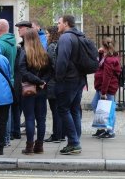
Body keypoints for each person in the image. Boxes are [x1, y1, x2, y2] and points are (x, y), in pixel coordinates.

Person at [55, 14, 86, 155]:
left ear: (66, 24)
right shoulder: (80, 36)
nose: (57, 25)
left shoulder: (66, 38)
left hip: (68, 80)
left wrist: (59, 78)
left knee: (63, 110)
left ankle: (73, 142)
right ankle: (75, 141)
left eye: (59, 22)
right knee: (74, 110)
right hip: (80, 79)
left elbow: (62, 60)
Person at [19, 29, 51, 155]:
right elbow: (51, 71)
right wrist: (42, 81)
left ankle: (29, 147)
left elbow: (23, 71)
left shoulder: (24, 53)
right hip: (42, 90)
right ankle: (39, 146)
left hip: (29, 90)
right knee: (41, 119)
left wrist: (38, 81)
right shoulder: (44, 53)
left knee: (29, 118)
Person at [0, 19, 16, 147]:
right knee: (7, 113)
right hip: (10, 80)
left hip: (1, 82)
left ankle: (3, 139)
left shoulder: (0, 44)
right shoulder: (12, 42)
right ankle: (6, 138)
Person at [91, 37, 121, 140]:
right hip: (101, 87)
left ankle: (110, 132)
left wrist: (104, 92)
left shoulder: (110, 59)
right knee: (95, 104)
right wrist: (100, 54)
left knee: (110, 110)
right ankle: (101, 127)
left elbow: (107, 76)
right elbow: (100, 65)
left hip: (107, 88)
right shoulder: (108, 56)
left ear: (104, 46)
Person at [43, 26, 65, 143]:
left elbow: (52, 65)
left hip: (52, 82)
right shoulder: (61, 44)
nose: (46, 35)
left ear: (52, 34)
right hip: (60, 81)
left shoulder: (52, 46)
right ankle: (61, 134)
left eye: (47, 33)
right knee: (59, 109)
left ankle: (57, 135)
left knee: (55, 110)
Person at [15, 20, 33, 134]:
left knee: (29, 112)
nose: (18, 29)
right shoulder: (21, 45)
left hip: (28, 82)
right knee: (18, 106)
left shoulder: (30, 46)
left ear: (27, 29)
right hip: (20, 81)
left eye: (20, 27)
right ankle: (16, 130)